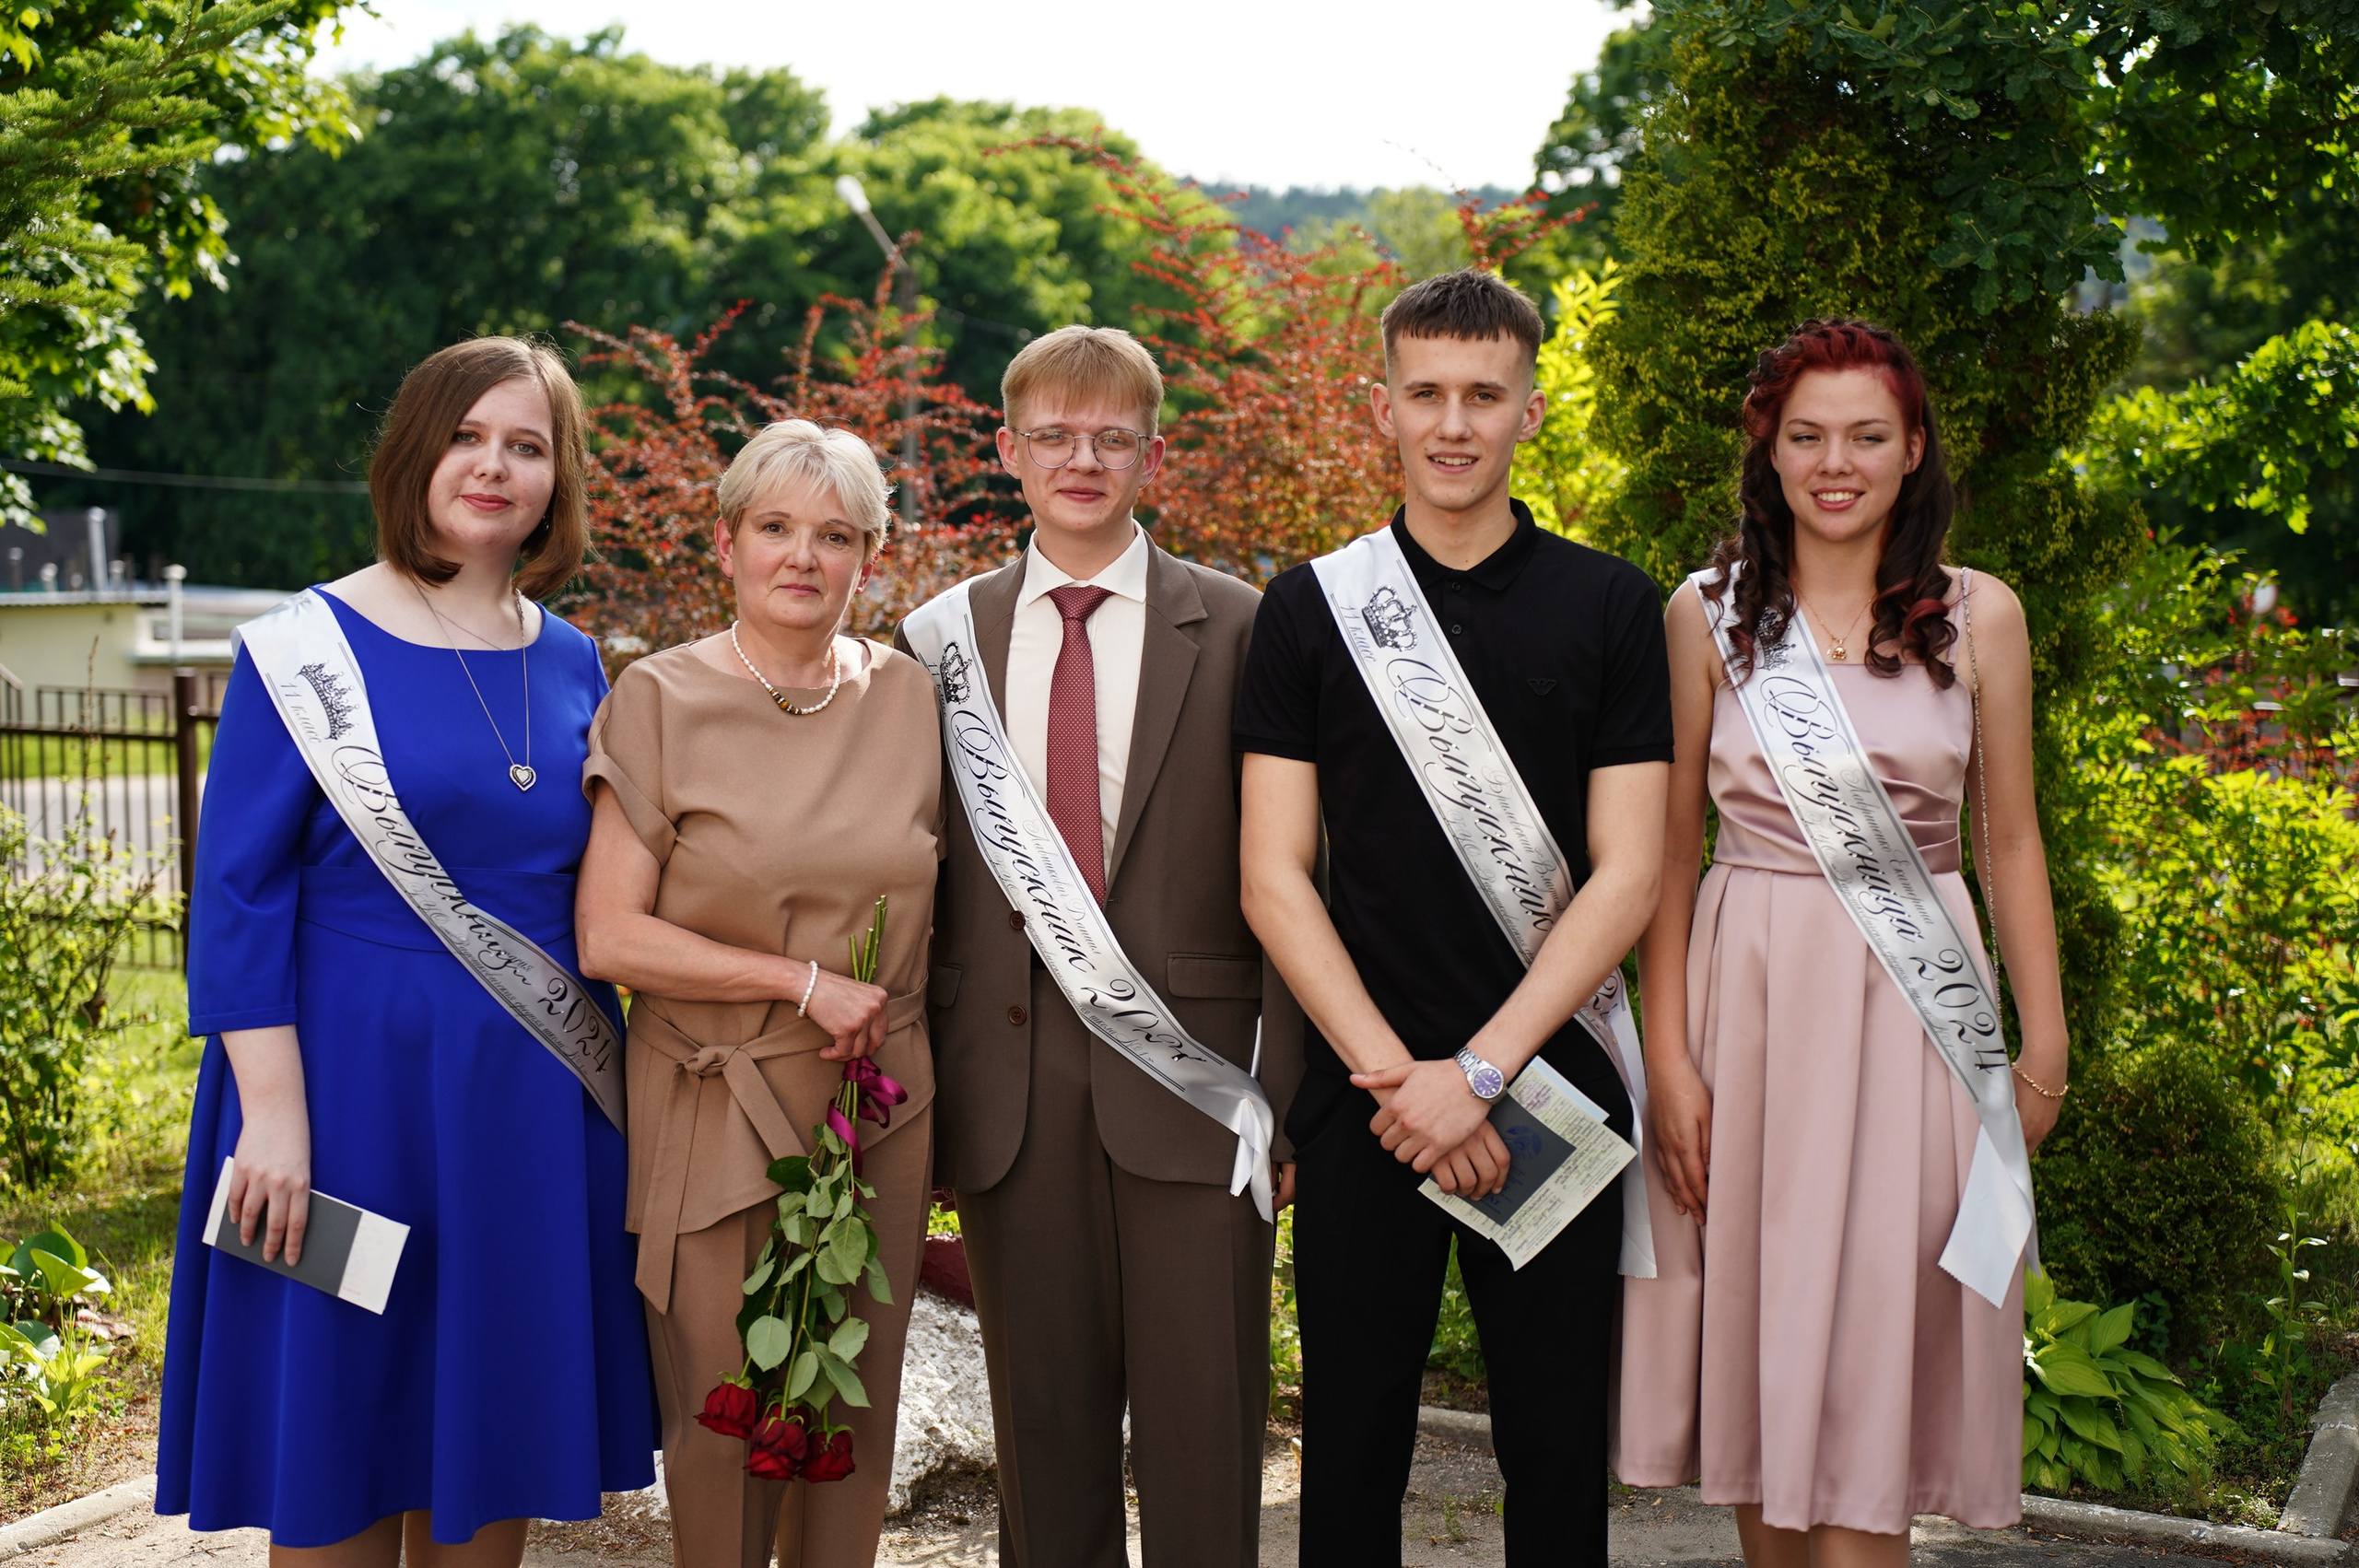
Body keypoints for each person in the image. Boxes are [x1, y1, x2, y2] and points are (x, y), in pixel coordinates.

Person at [158, 336, 656, 1561]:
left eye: (526, 445)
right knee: (340, 1456)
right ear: (415, 450)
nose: (493, 465)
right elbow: (237, 899)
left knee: (490, 1464)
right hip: (342, 1110)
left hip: (528, 1122)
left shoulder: (574, 659)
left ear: (558, 477)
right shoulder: (302, 645)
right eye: (467, 435)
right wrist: (269, 1117)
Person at [1237, 268, 1674, 1565]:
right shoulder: (1312, 606)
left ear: (1532, 409)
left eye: (1484, 394)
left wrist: (1479, 1075)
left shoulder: (1611, 605)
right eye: (1425, 392)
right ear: (1381, 408)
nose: (1454, 422)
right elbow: (1274, 874)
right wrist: (1402, 1081)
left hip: (1549, 1088)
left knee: (1554, 1458)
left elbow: (1632, 872)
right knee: (1353, 1453)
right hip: (1368, 1098)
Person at [1614, 318, 2068, 1567]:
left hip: (1921, 1022)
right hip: (1748, 1004)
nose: (1836, 461)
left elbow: (2013, 840)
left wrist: (2045, 1045)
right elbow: (1665, 856)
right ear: (1767, 453)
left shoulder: (1983, 617)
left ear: (1914, 450)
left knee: (1881, 1338)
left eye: (1868, 435)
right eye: (1806, 434)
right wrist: (1669, 1055)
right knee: (1766, 1353)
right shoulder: (1703, 615)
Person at [898, 324, 1301, 1568]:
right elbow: (909, 879)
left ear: (1151, 452)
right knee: (1046, 1440)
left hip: (1196, 1089)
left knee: (1204, 1442)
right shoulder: (935, 641)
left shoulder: (1242, 626)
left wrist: (1282, 1104)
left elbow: (1299, 880)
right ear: (1006, 450)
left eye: (1110, 435)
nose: (1083, 457)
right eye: (1055, 435)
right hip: (1008, 1095)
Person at [572, 419, 939, 1568]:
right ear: (725, 541)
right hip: (714, 1096)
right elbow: (606, 933)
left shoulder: (912, 700)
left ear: (869, 558)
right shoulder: (659, 698)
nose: (804, 557)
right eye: (775, 527)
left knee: (847, 1413)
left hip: (874, 1104)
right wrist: (799, 980)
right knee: (726, 1418)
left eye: (836, 535)